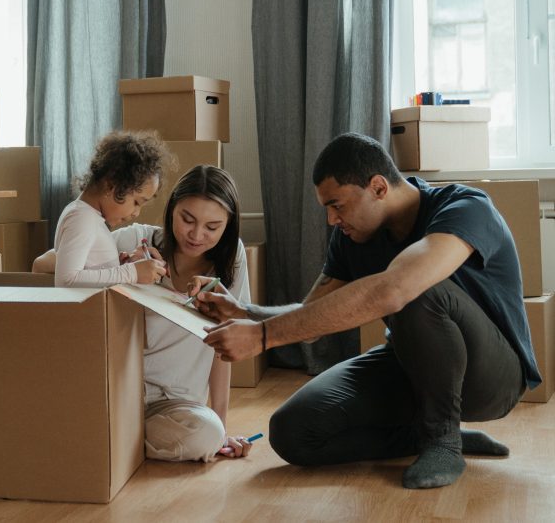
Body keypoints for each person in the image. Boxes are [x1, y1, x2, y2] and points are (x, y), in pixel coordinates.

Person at [196, 132, 538, 489]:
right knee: (292, 432)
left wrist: (263, 337)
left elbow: (397, 289)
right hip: (411, 366)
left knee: (415, 288)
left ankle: (443, 441)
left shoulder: (466, 207)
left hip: (493, 379)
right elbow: (312, 316)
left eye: (337, 205)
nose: (331, 220)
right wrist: (246, 313)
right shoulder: (351, 237)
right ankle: (423, 435)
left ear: (378, 187)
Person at [37, 164, 257, 462]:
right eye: (187, 219)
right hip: (118, 391)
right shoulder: (136, 240)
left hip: (175, 405)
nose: (196, 235)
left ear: (228, 226)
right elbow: (43, 264)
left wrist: (221, 428)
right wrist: (124, 268)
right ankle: (111, 436)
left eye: (212, 227)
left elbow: (224, 345)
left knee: (206, 435)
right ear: (171, 210)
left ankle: (108, 439)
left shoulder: (233, 260)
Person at [52, 130, 170, 288]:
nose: (136, 213)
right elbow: (66, 280)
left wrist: (117, 267)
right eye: (136, 202)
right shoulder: (81, 218)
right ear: (111, 185)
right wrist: (131, 272)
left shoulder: (90, 217)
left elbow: (89, 273)